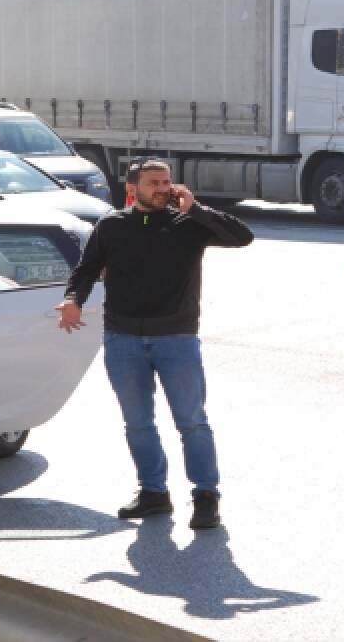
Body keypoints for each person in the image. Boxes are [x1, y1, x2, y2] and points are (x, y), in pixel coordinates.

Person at [55, 158, 253, 530]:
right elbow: (86, 269)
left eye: (166, 181)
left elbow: (242, 236)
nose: (163, 188)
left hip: (176, 339)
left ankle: (206, 496)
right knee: (138, 423)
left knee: (192, 422)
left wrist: (196, 208)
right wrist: (73, 300)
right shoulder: (111, 225)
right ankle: (153, 494)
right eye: (153, 183)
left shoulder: (189, 224)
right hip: (123, 339)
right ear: (133, 190)